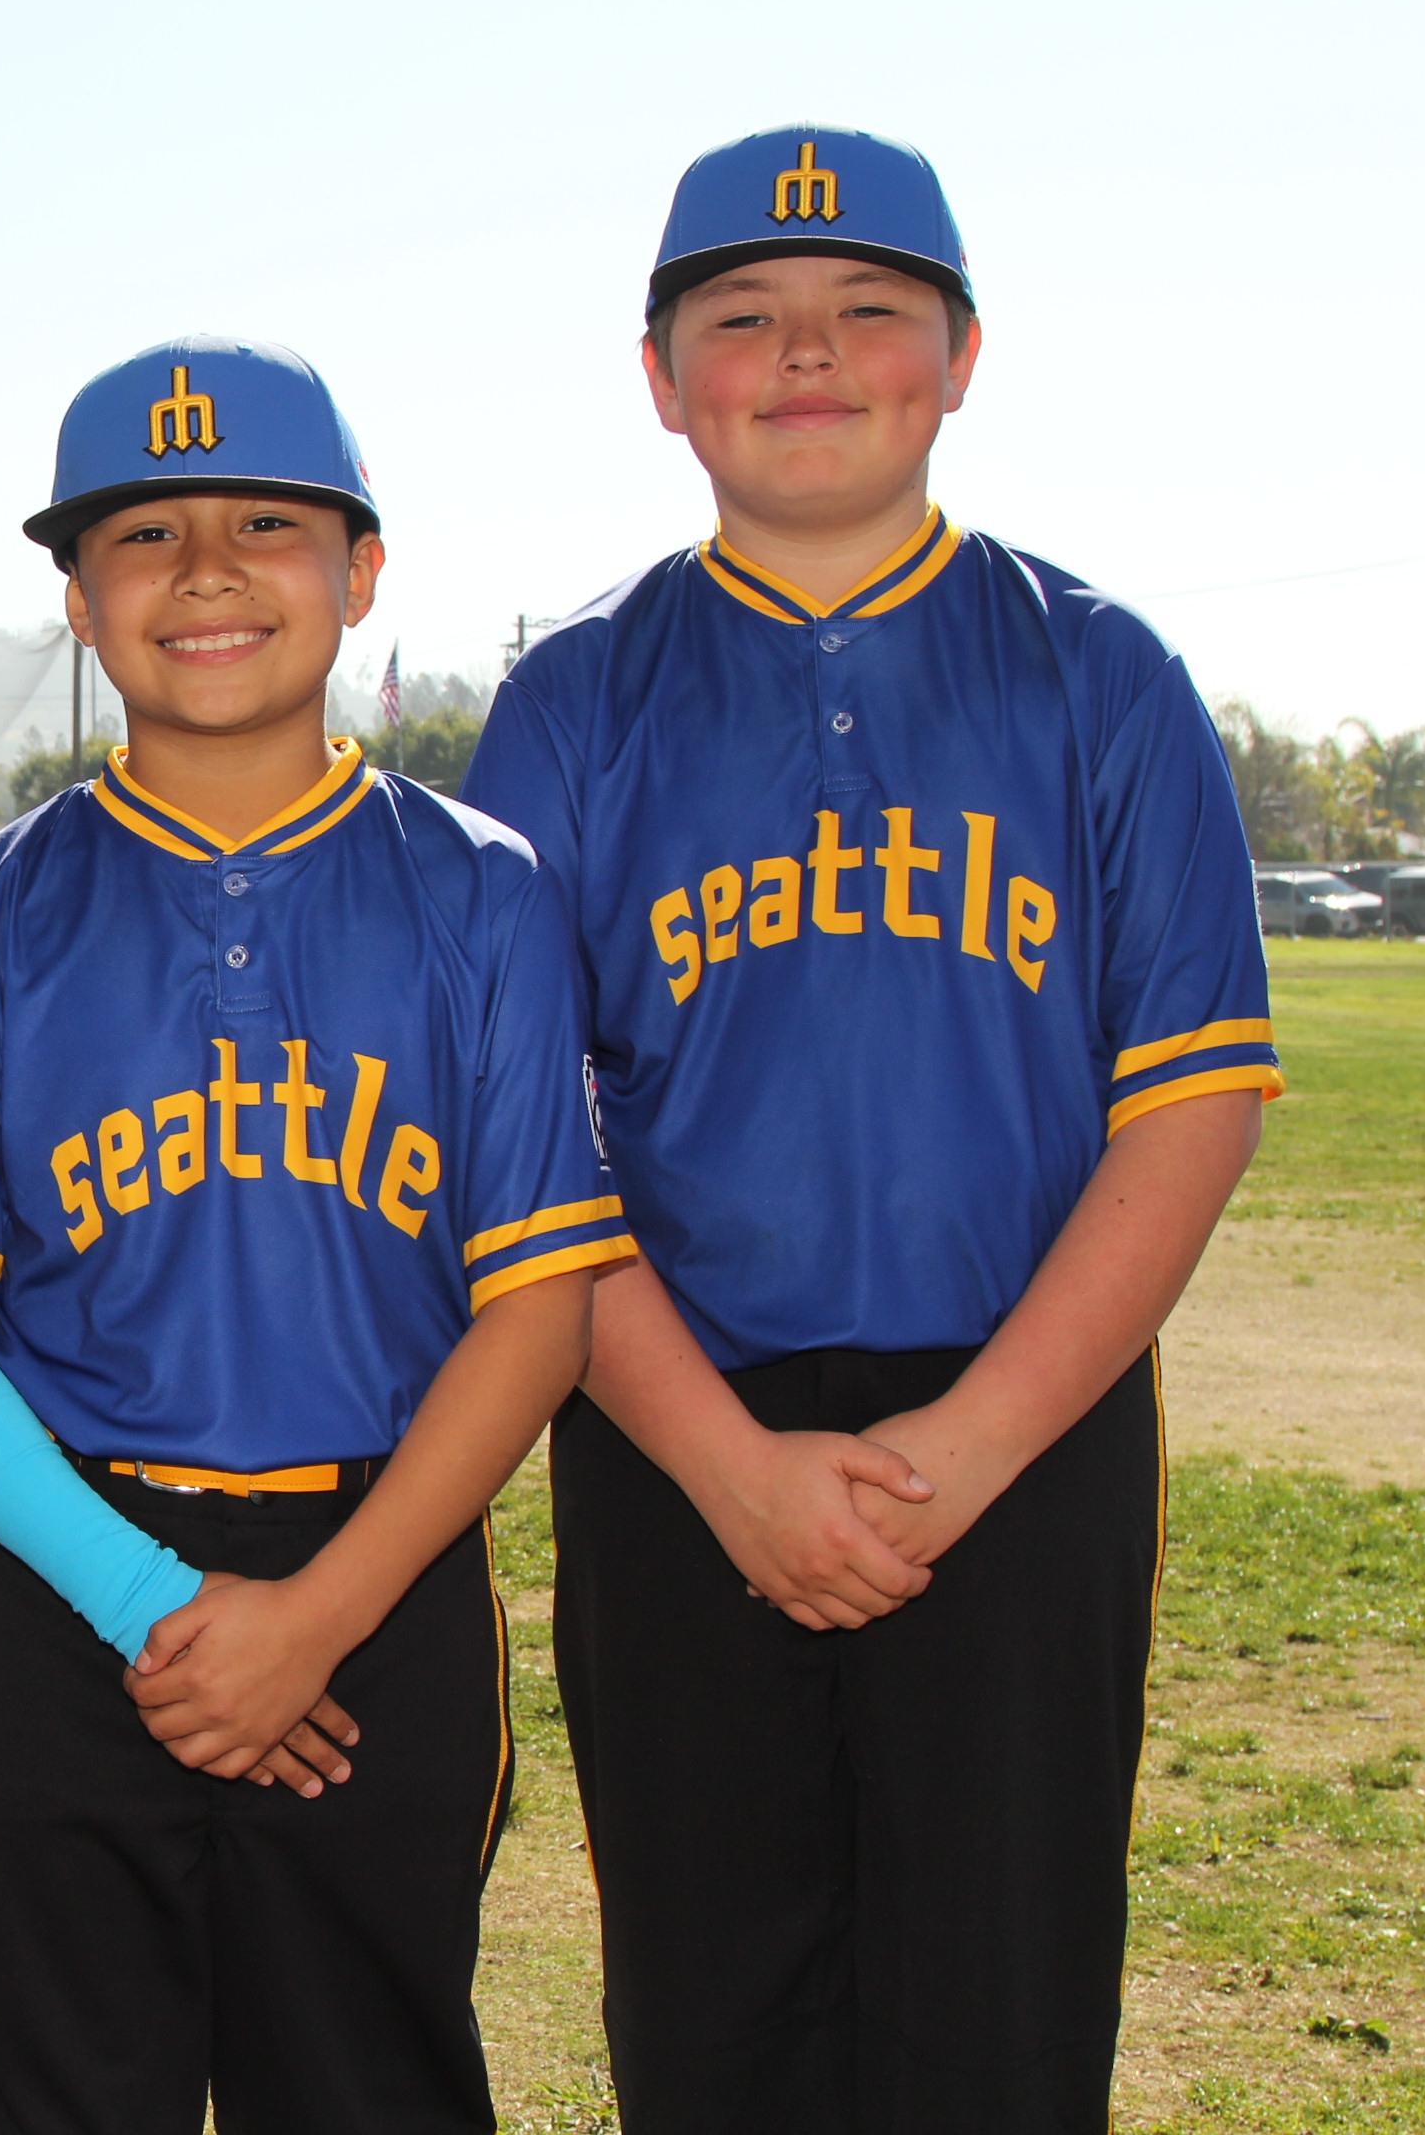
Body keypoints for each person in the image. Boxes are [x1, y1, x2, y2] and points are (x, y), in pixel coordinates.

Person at [458, 127, 1283, 2133]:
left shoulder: (1099, 672)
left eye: (869, 311)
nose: (808, 354)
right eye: (744, 317)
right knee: (710, 2002)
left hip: (1022, 1423)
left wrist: (971, 1447)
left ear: (964, 355)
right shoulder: (574, 701)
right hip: (675, 1421)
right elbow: (523, 1151)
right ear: (661, 380)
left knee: (1000, 2013)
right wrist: (728, 1464)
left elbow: (1192, 1099)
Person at [0, 338, 630, 2134]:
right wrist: (157, 1604)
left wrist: (316, 1615)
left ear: (361, 570)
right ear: (76, 598)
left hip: (381, 1572)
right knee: (46, 2092)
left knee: (365, 2082)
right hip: (70, 1573)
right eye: (143, 532)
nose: (204, 570)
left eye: (267, 522)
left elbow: (538, 1317)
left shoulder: (484, 892)